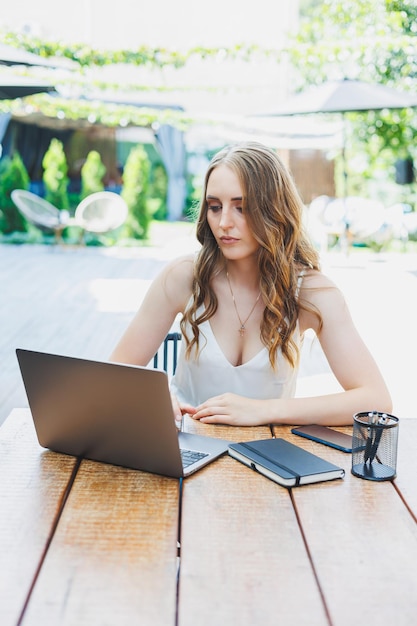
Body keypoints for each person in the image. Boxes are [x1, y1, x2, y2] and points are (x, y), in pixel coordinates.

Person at [110, 141, 392, 427]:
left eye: (241, 208)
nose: (223, 223)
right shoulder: (184, 277)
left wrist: (266, 410)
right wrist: (151, 398)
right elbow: (113, 375)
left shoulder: (312, 293)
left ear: (273, 210)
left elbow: (375, 399)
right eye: (215, 207)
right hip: (185, 448)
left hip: (266, 457)